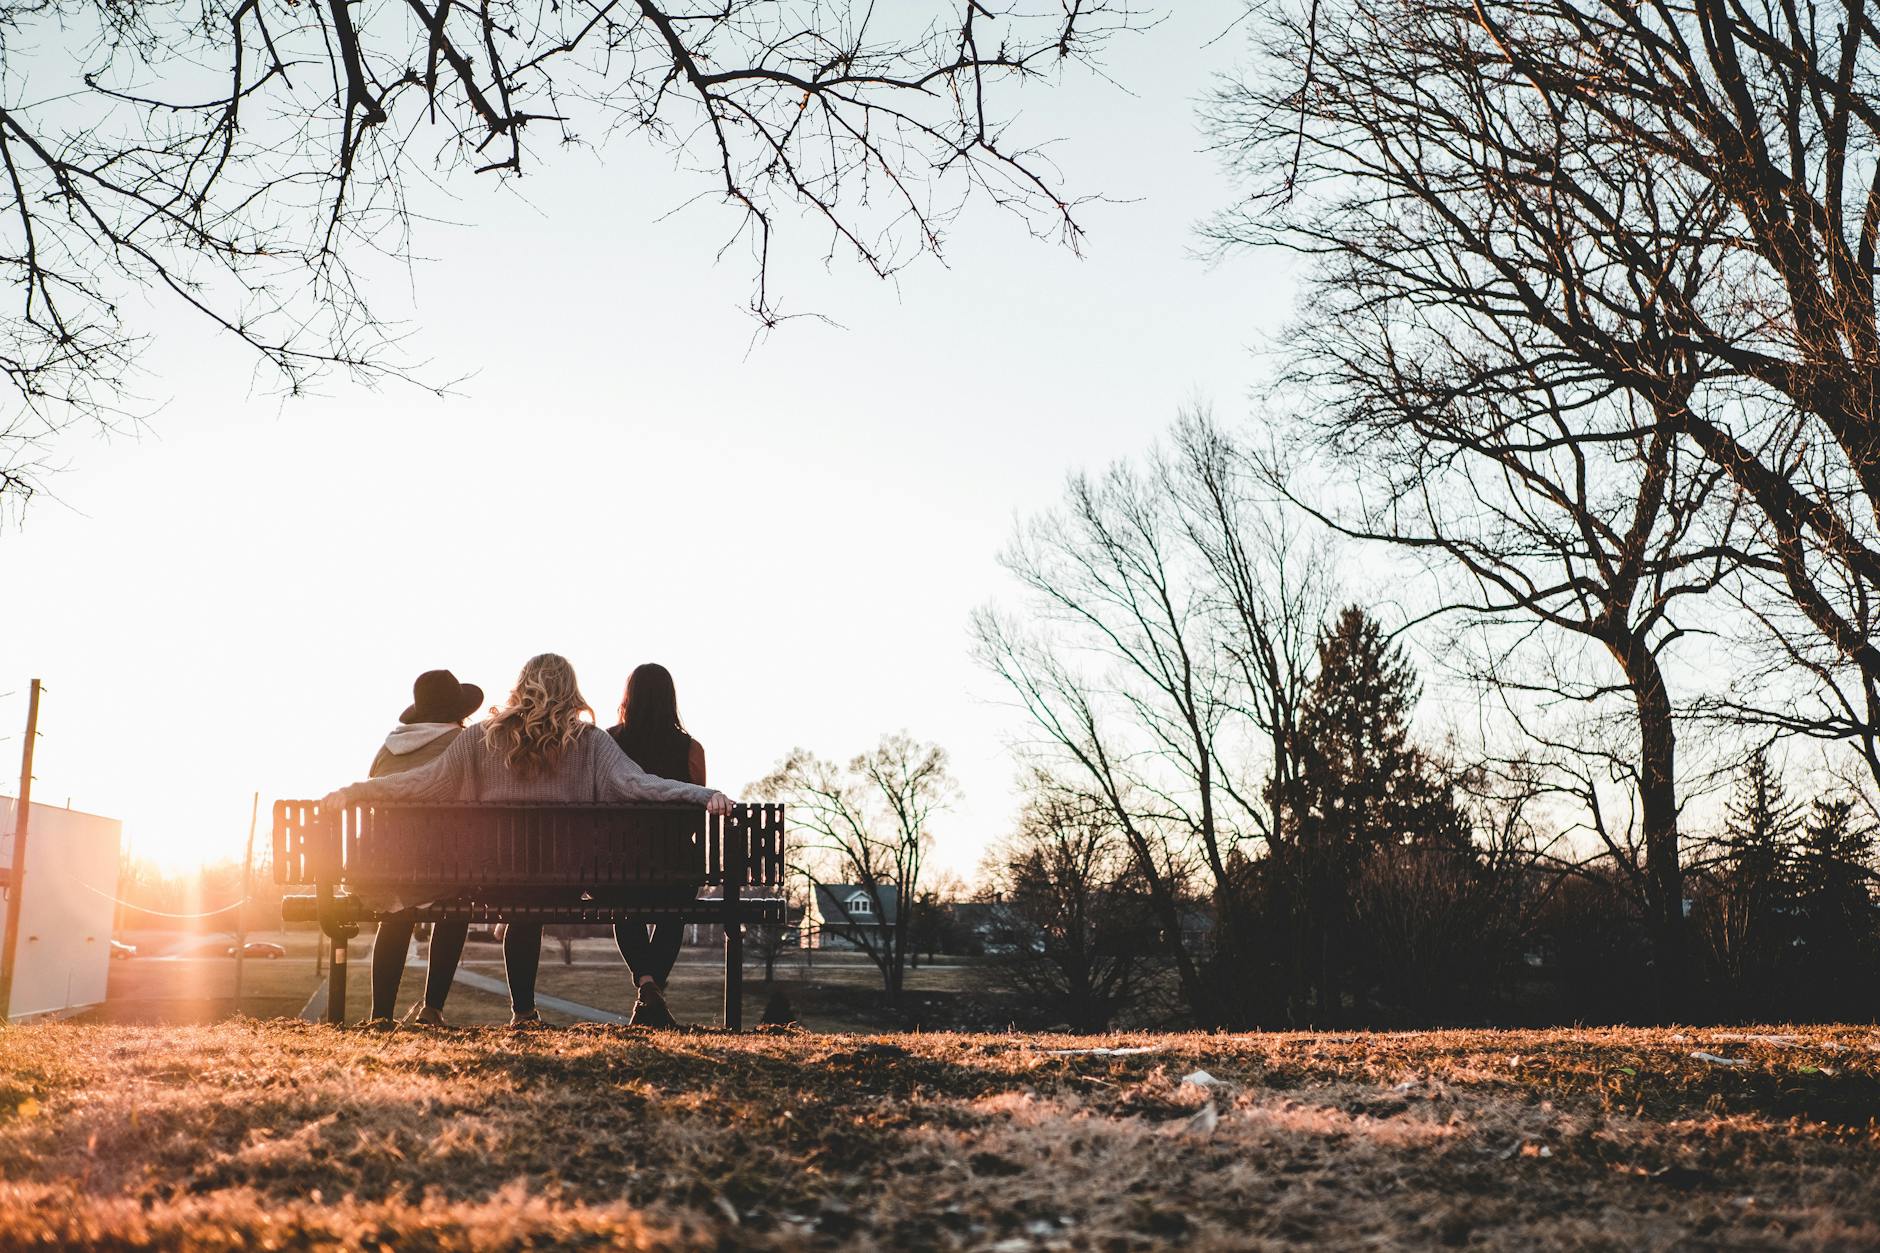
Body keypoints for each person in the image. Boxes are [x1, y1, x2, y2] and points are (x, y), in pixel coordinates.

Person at [322, 653, 732, 1027]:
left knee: (521, 901)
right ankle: (530, 1010)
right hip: (569, 885)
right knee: (537, 894)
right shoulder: (590, 742)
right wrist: (702, 795)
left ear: (521, 687)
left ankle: (523, 1012)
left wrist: (357, 791)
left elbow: (421, 783)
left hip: (496, 884)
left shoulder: (479, 738)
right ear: (571, 691)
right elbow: (641, 786)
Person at [365, 669, 482, 1029]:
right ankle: (432, 1009)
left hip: (388, 869)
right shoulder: (463, 744)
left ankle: (380, 1014)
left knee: (397, 911)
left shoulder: (387, 749)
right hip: (442, 869)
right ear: (457, 710)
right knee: (457, 905)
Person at [607, 663, 708, 1028]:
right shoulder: (690, 748)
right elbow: (698, 813)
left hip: (620, 866)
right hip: (675, 866)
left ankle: (646, 985)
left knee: (623, 908)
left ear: (628, 696)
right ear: (670, 698)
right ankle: (652, 991)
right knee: (673, 912)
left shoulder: (609, 743)